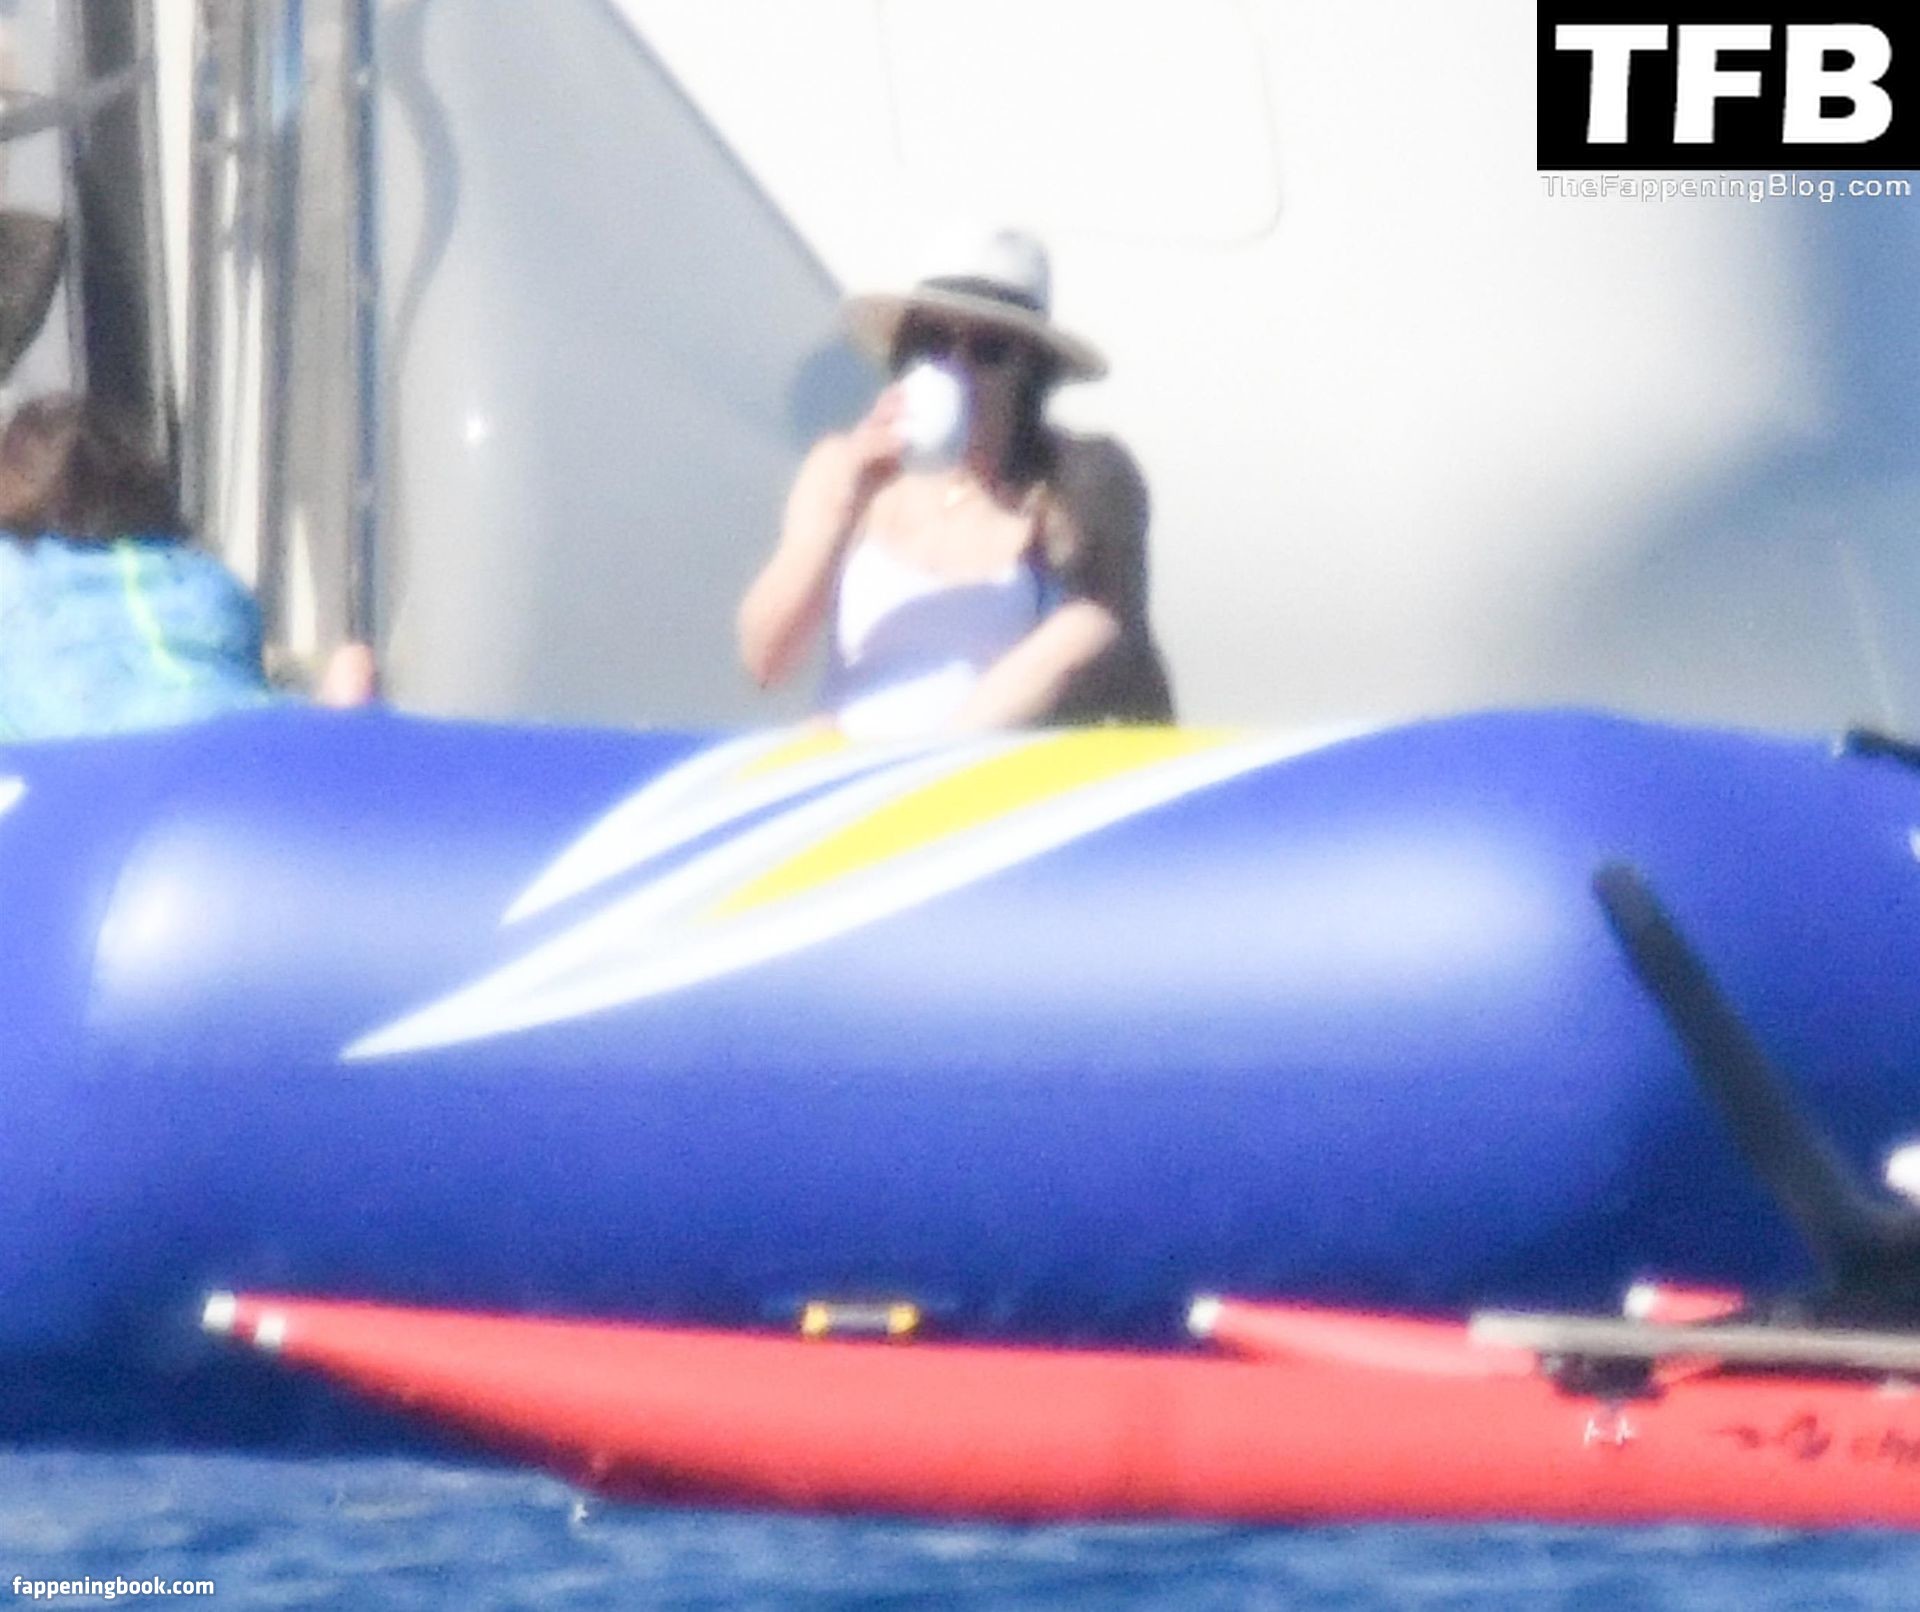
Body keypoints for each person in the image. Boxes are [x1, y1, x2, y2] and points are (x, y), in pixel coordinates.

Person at [738, 228, 1172, 739]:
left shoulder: (1075, 480)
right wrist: (847, 503)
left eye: (989, 350)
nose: (957, 368)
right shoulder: (842, 466)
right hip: (850, 761)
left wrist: (937, 751)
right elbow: (766, 662)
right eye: (933, 344)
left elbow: (1094, 630)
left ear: (1030, 373)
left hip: (984, 765)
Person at [0, 392, 368, 740]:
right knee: (351, 664)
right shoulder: (203, 576)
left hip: (89, 767)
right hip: (250, 741)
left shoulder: (13, 567)